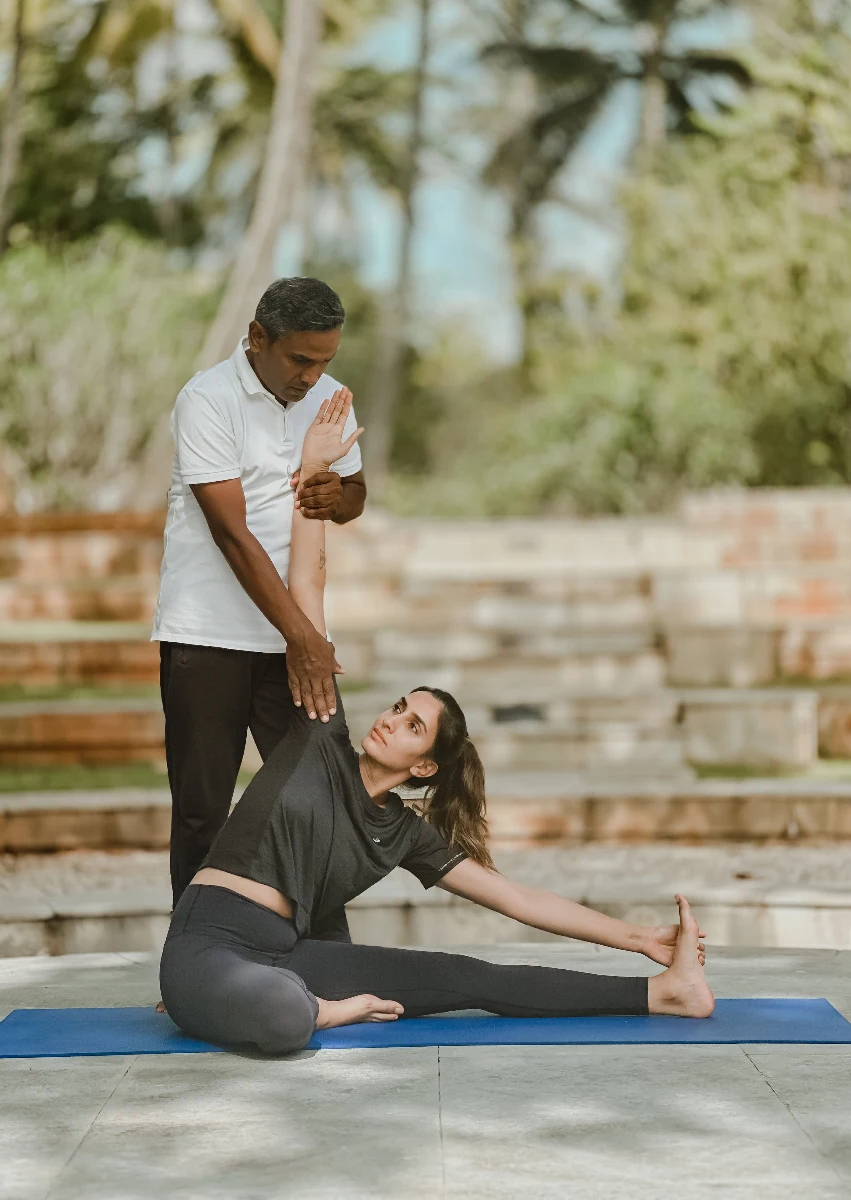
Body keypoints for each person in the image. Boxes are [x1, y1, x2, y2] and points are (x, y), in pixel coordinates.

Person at [158, 393, 714, 1053]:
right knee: (281, 1018)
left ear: (423, 767)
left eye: (414, 726)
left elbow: (519, 901)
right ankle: (322, 1011)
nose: (394, 720)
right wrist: (311, 469)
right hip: (209, 940)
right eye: (400, 707)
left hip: (290, 953)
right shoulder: (319, 736)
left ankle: (664, 995)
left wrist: (639, 939)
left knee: (467, 977)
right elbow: (307, 585)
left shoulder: (402, 835)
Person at [151, 277, 366, 910]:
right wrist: (303, 638)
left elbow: (354, 495)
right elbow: (231, 531)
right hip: (206, 637)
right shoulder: (207, 400)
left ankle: (324, 957)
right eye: (301, 359)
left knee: (319, 801)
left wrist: (338, 498)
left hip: (295, 644)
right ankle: (191, 966)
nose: (313, 376)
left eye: (326, 360)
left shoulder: (331, 398)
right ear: (257, 339)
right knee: (202, 814)